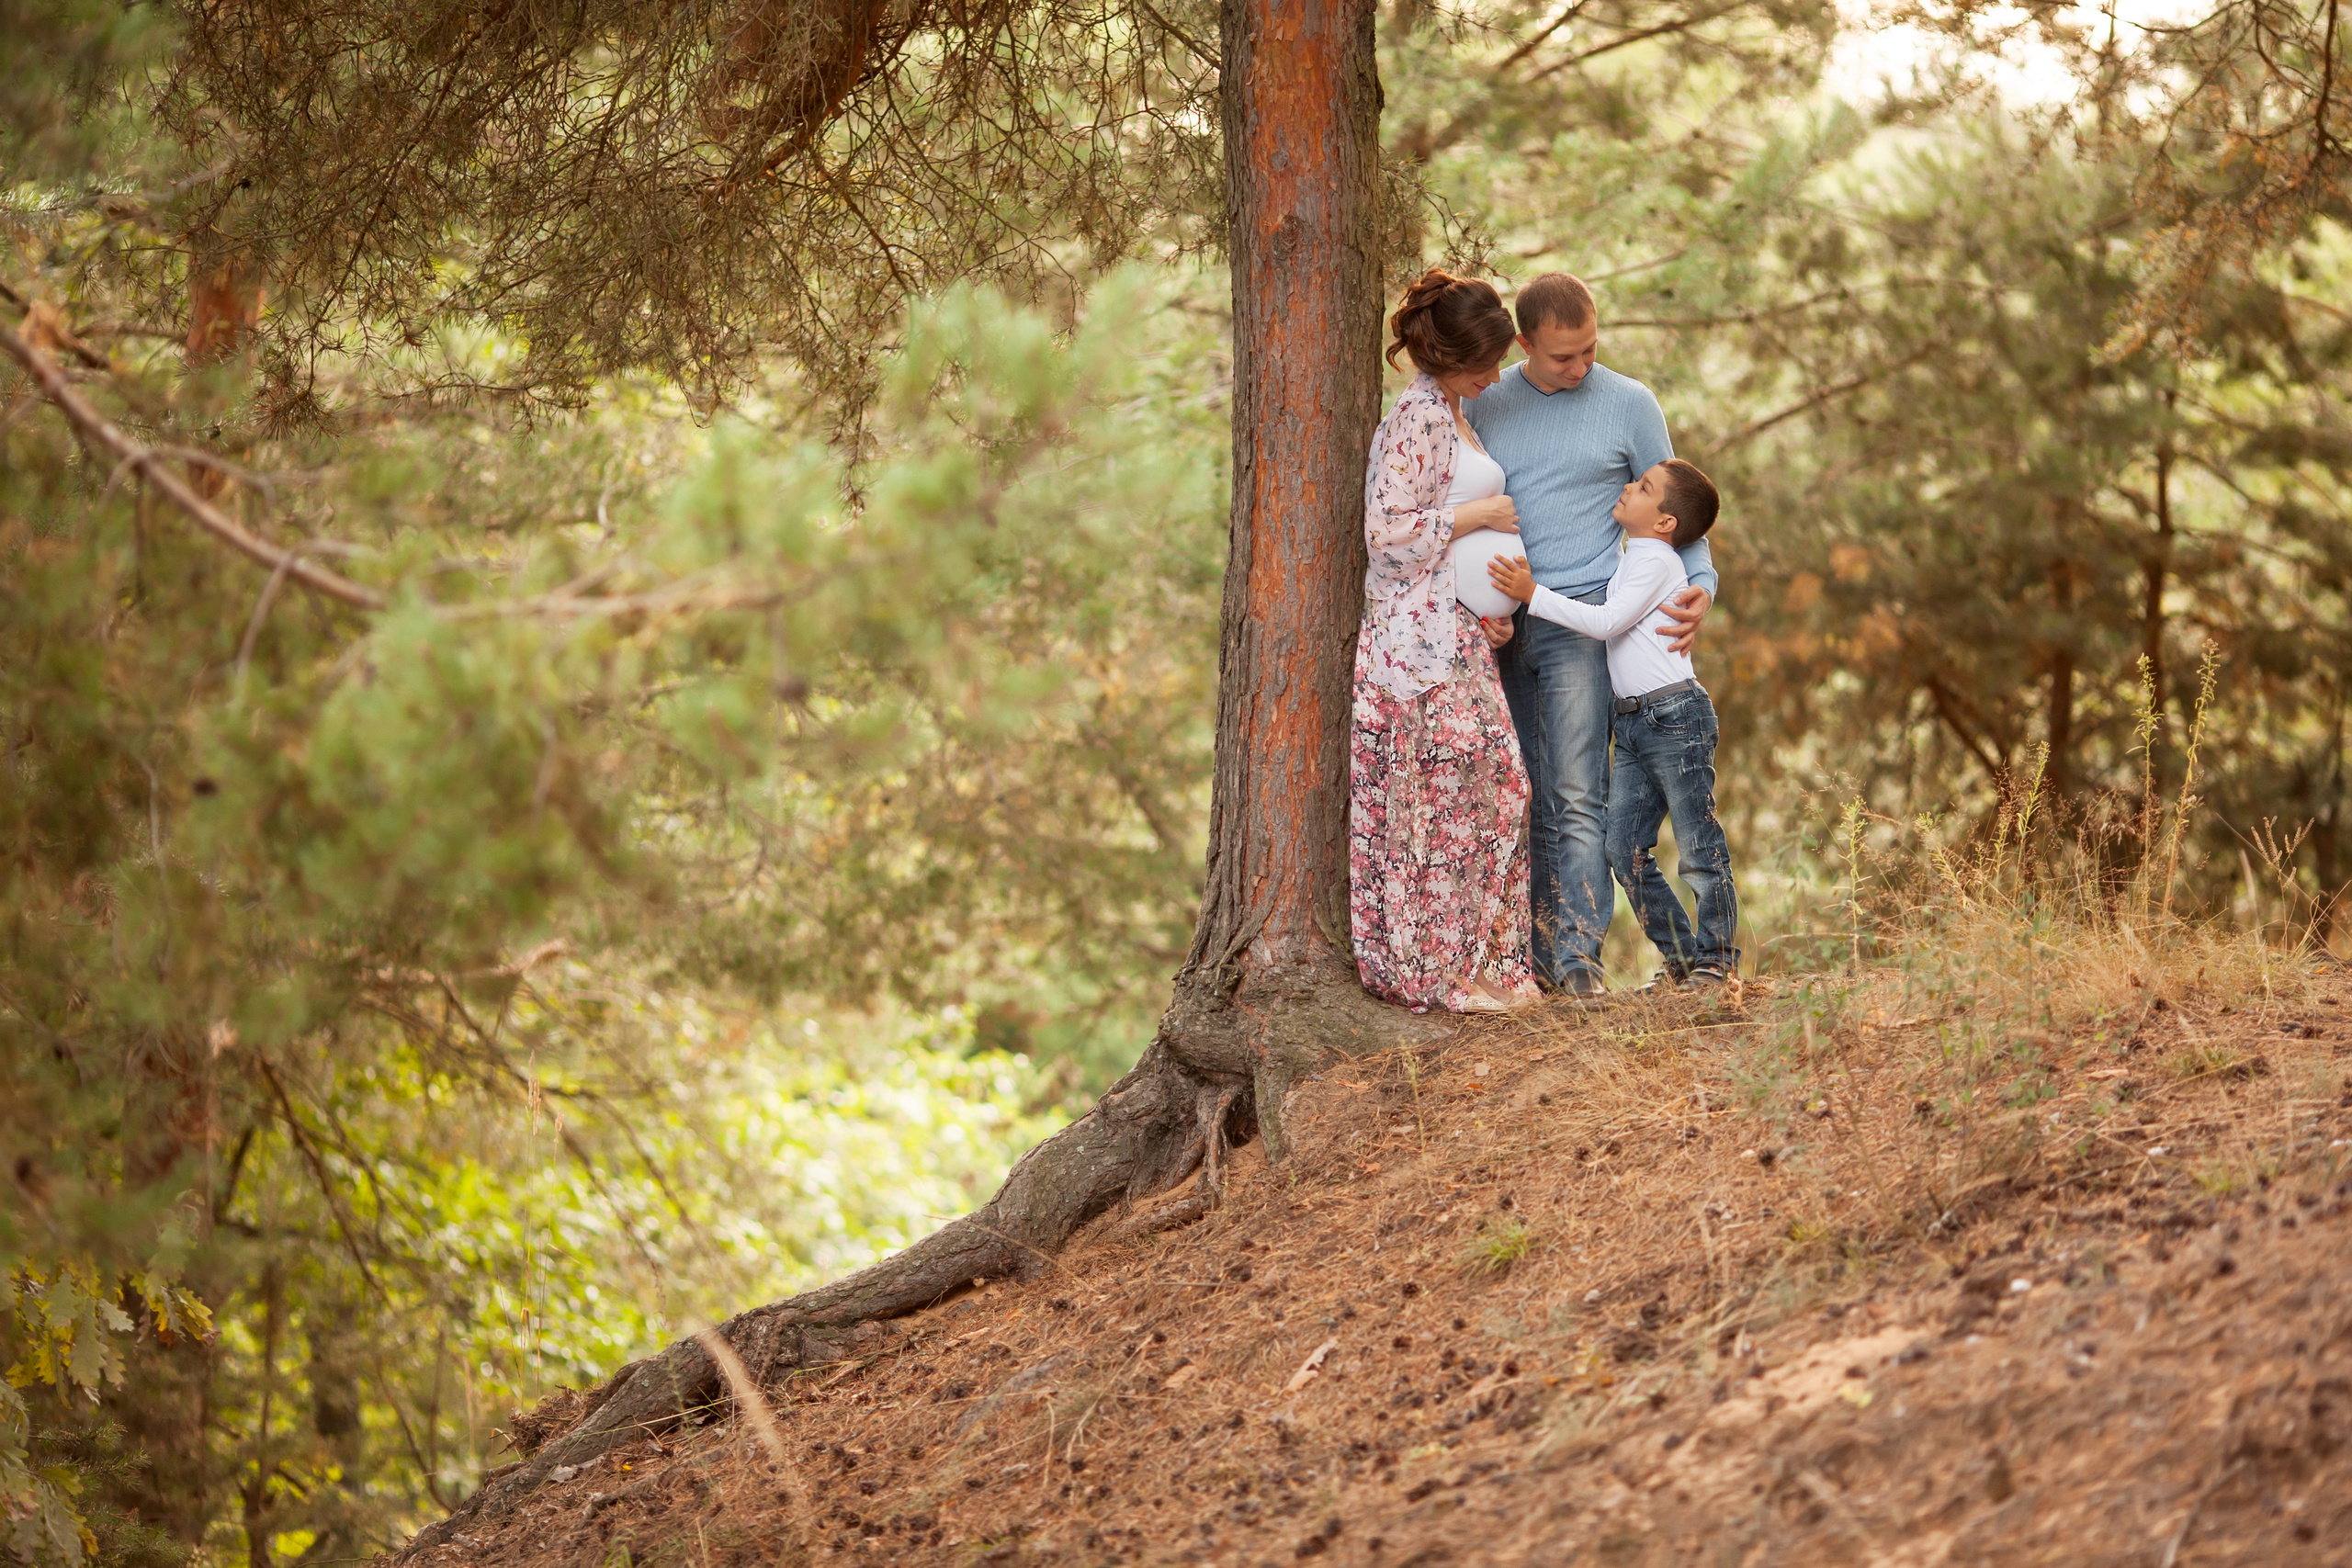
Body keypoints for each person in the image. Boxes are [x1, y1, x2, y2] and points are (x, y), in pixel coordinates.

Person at [1467, 273, 1717, 998]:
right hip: (1494, 626)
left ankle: (1577, 965)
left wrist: (1702, 584)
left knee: (1578, 792)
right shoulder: (1487, 399)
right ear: (1524, 345)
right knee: (1517, 794)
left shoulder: (1630, 403)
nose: (1578, 368)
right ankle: (1528, 962)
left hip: (1581, 621)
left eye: (1588, 350)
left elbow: (1679, 509)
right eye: (1560, 358)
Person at [1351, 269, 1541, 1015]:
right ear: (1445, 360)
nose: (1496, 377)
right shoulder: (1420, 417)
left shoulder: (1458, 412)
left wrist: (1491, 610)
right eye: (1483, 365)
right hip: (1416, 646)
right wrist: (1485, 513)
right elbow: (1389, 535)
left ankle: (1485, 962)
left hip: (1460, 633)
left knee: (1486, 791)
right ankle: (1439, 969)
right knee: (1457, 794)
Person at [1487, 460, 1738, 990]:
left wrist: (1533, 593)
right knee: (1622, 848)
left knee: (1697, 842)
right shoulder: (1634, 558)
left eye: (1644, 487)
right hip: (1632, 724)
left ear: (1665, 521)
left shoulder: (1657, 563)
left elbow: (1604, 623)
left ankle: (1719, 959)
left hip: (1674, 717)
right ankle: (1684, 960)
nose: (1628, 486)